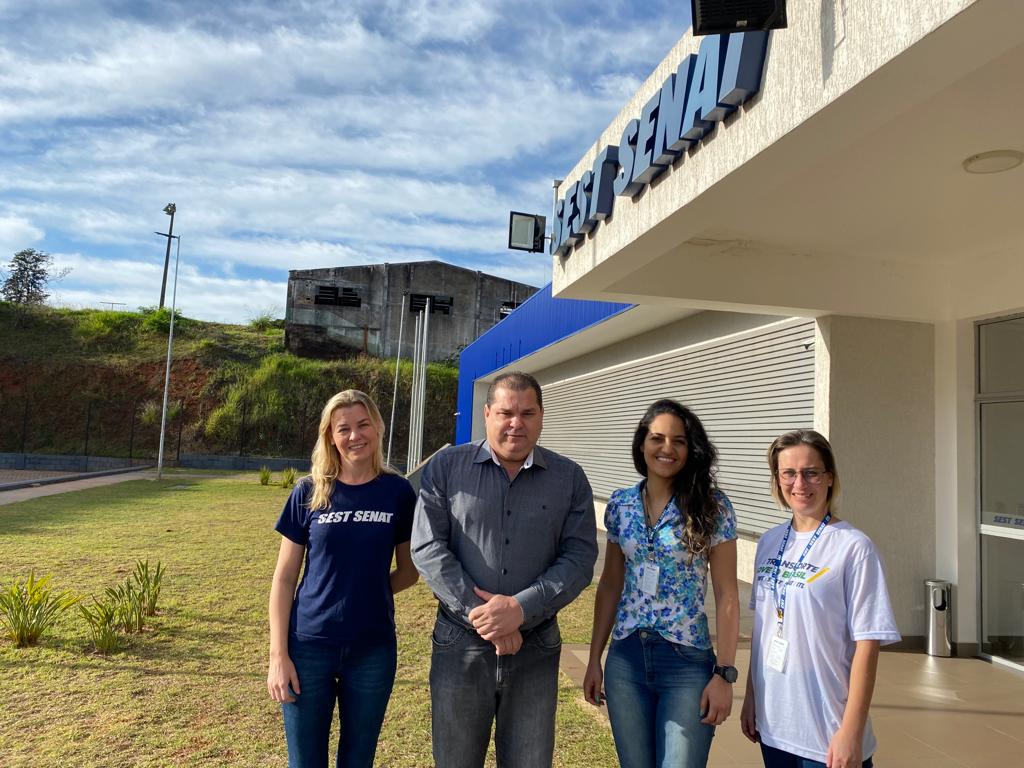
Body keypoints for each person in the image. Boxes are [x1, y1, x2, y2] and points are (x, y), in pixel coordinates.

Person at [411, 371, 598, 768]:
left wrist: (521, 609)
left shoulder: (569, 479)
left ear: (542, 416)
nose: (517, 423)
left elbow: (580, 558)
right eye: (506, 412)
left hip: (536, 647)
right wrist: (484, 616)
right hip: (459, 643)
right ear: (487, 414)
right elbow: (427, 546)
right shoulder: (446, 467)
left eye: (528, 413)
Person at [583, 399, 740, 768]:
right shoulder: (621, 504)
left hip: (686, 663)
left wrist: (725, 675)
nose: (667, 449)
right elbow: (609, 585)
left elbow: (728, 596)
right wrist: (594, 659)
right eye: (657, 438)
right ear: (641, 444)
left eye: (679, 441)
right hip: (626, 660)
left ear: (691, 449)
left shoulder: (712, 506)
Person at [266, 389, 419, 768]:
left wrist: (368, 593)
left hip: (372, 650)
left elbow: (410, 571)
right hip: (308, 648)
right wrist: (278, 656)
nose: (355, 436)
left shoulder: (397, 491)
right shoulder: (309, 491)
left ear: (378, 428)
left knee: (358, 759)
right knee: (305, 762)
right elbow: (284, 579)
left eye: (363, 424)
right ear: (330, 437)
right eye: (344, 428)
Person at [740, 429, 900, 768]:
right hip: (775, 725)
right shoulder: (769, 542)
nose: (800, 483)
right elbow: (763, 630)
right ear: (778, 479)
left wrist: (851, 732)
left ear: (829, 477)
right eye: (789, 473)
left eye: (811, 472)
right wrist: (751, 698)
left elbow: (867, 646)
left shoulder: (854, 547)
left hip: (828, 734)